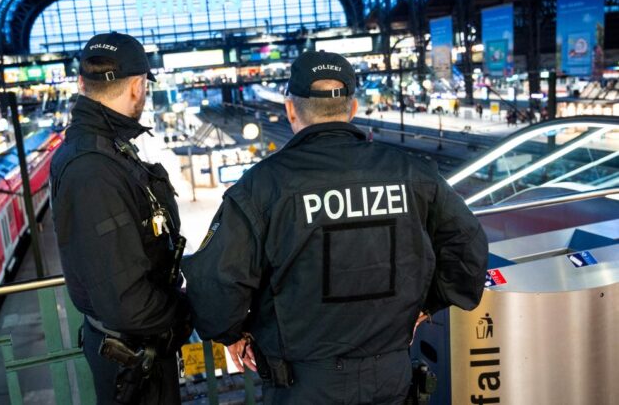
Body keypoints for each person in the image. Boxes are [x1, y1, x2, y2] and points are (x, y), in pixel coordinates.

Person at [183, 51, 489, 405]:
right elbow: (468, 246)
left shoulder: (262, 186)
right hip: (391, 375)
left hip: (302, 384)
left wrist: (231, 333)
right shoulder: (413, 174)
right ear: (353, 108)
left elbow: (216, 281)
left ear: (291, 110)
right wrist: (429, 305)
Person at [50, 32, 191, 405]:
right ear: (137, 86)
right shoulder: (94, 170)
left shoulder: (99, 151)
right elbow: (126, 301)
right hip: (133, 363)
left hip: (136, 350)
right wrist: (187, 312)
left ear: (81, 84)